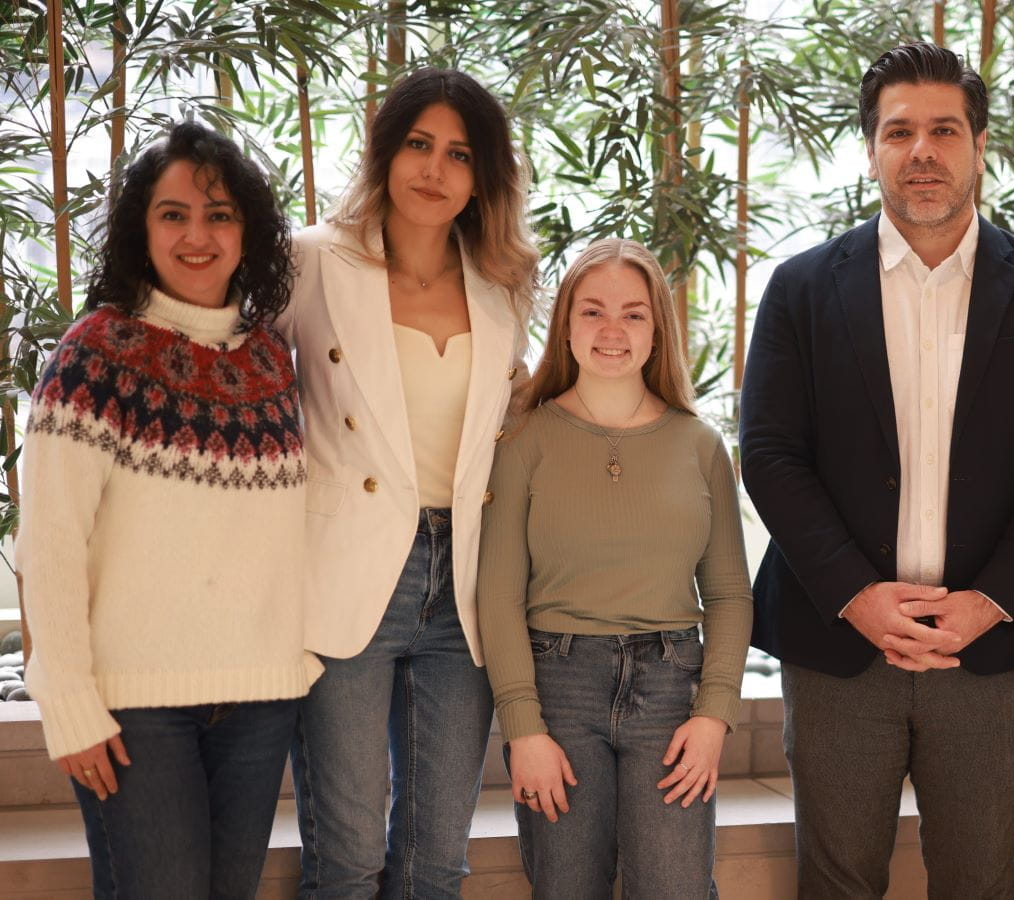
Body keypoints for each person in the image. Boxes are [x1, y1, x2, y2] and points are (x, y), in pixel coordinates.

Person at [740, 41, 1014, 898]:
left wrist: (991, 601)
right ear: (871, 148)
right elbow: (769, 454)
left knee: (981, 882)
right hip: (839, 645)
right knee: (836, 883)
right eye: (898, 131)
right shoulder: (800, 289)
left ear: (980, 146)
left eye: (945, 130)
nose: (922, 151)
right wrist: (856, 596)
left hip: (986, 648)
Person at [17, 121, 320, 898]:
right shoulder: (95, 355)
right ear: (139, 229)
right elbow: (49, 543)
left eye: (219, 215)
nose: (198, 235)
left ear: (246, 232)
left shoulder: (269, 359)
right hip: (132, 709)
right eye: (173, 213)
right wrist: (70, 703)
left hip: (259, 699)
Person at [282, 67, 539, 894]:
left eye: (459, 154)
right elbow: (236, 373)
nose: (435, 169)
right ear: (387, 153)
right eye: (419, 145)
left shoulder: (504, 282)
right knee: (349, 855)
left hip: (462, 578)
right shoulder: (313, 260)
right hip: (348, 573)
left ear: (482, 176)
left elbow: (505, 417)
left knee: (439, 860)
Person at [477, 238, 752, 897]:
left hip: (670, 690)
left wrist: (714, 715)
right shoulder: (523, 440)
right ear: (565, 323)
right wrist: (523, 730)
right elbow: (497, 594)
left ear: (658, 329)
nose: (611, 331)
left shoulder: (700, 444)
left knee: (677, 888)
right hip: (558, 690)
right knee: (566, 886)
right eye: (592, 311)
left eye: (633, 314)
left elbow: (729, 594)